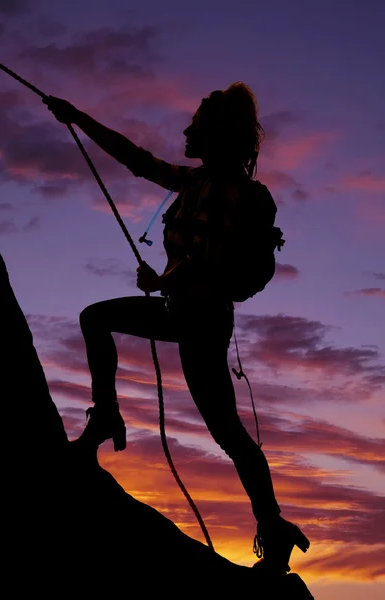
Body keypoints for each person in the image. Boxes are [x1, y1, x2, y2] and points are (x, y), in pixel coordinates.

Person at [44, 83, 309, 574]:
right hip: (178, 313)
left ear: (216, 135)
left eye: (198, 125)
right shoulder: (191, 182)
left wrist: (162, 278)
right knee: (95, 318)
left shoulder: (243, 196)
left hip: (204, 324)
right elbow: (134, 158)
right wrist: (77, 116)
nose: (188, 131)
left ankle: (273, 527)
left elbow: (212, 266)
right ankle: (105, 417)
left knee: (228, 434)